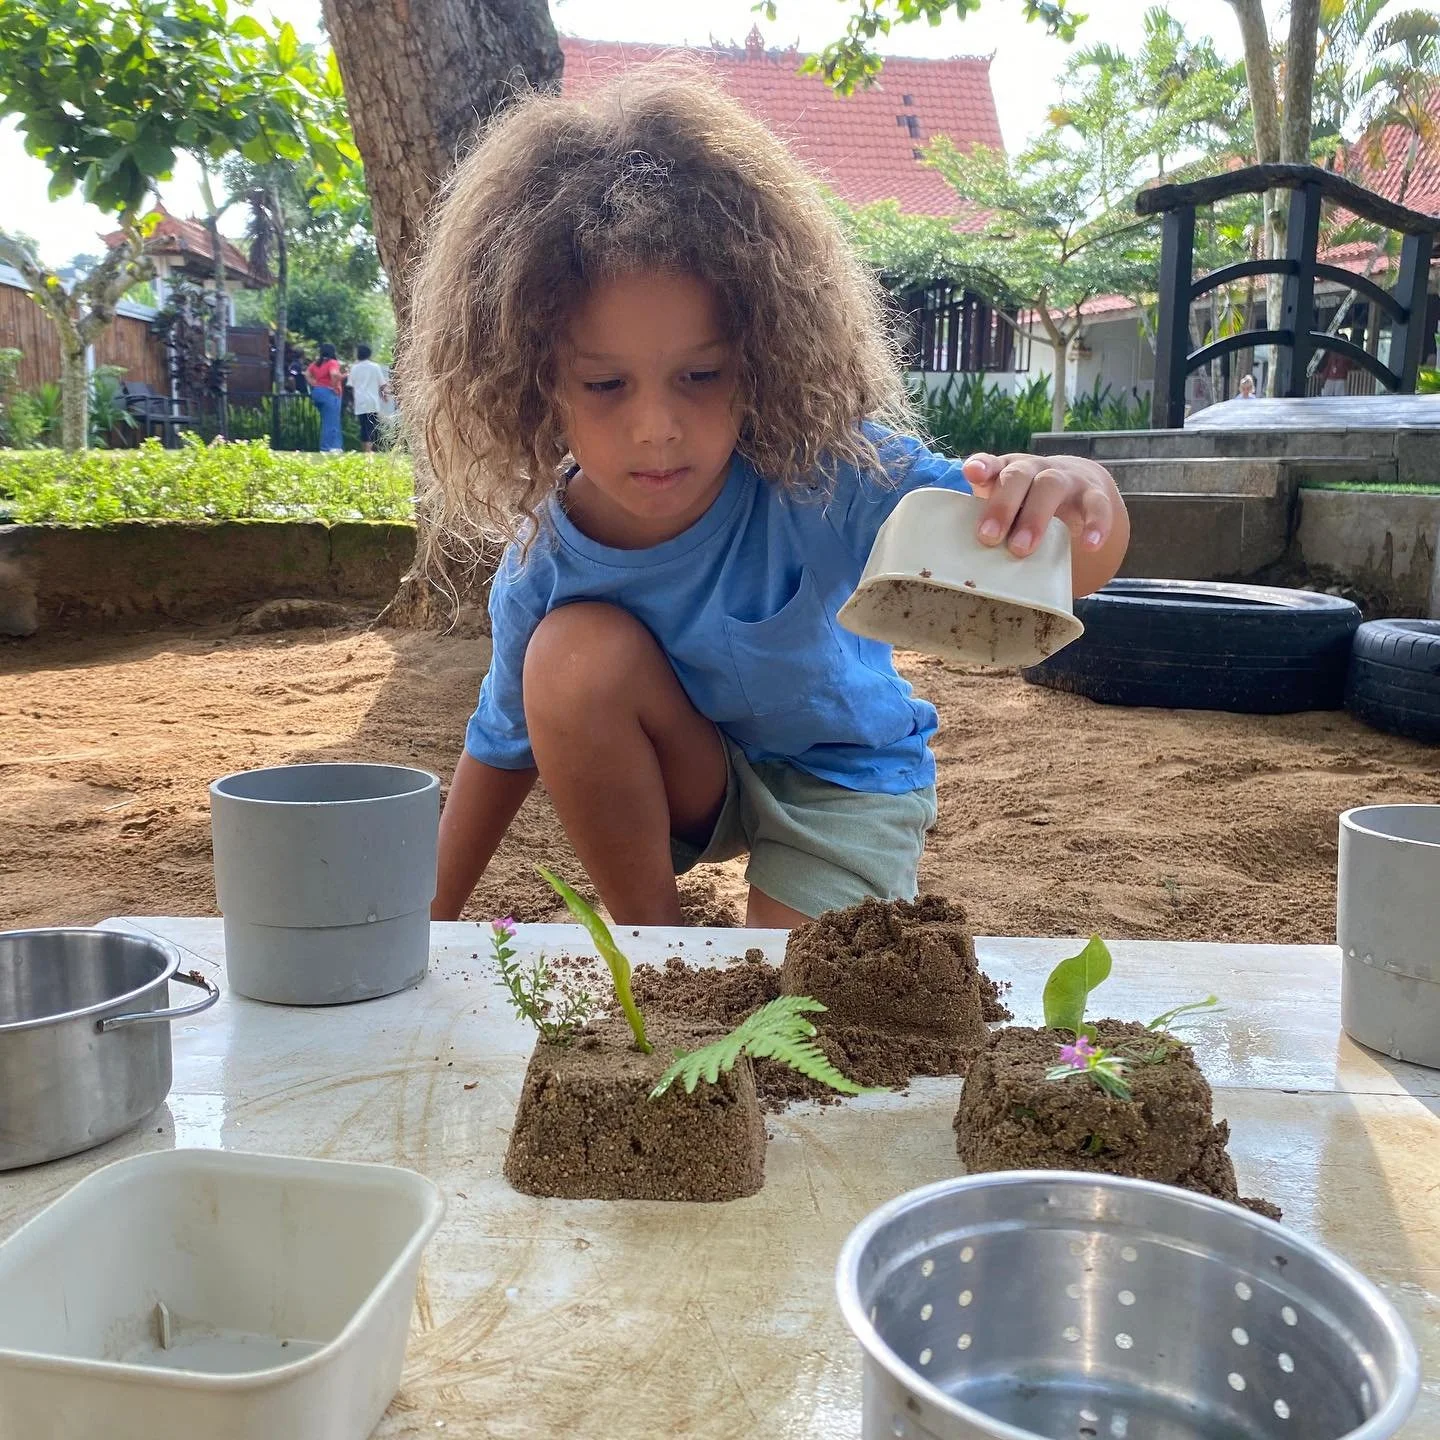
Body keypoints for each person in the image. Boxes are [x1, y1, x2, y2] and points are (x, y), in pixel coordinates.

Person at [404, 69, 1130, 929]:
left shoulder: (827, 472)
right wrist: (424, 925)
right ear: (533, 383)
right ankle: (654, 943)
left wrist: (1080, 494)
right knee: (565, 660)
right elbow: (500, 747)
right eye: (604, 384)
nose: (656, 428)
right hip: (692, 779)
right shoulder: (545, 561)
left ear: (761, 358)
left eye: (701, 375)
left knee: (804, 995)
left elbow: (1058, 567)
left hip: (845, 779)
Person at [348, 344, 390, 454]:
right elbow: (382, 384)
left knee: (363, 425)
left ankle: (365, 449)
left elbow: (351, 386)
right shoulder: (375, 367)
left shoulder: (354, 368)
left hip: (360, 401)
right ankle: (369, 449)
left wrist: (352, 401)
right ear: (369, 354)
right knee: (371, 425)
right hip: (372, 401)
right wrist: (384, 396)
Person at [305, 343, 345, 453]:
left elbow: (307, 374)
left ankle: (334, 445)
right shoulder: (332, 362)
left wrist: (314, 383)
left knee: (326, 419)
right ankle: (330, 447)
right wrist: (335, 386)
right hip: (329, 392)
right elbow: (334, 374)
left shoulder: (316, 364)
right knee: (332, 420)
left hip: (317, 392)